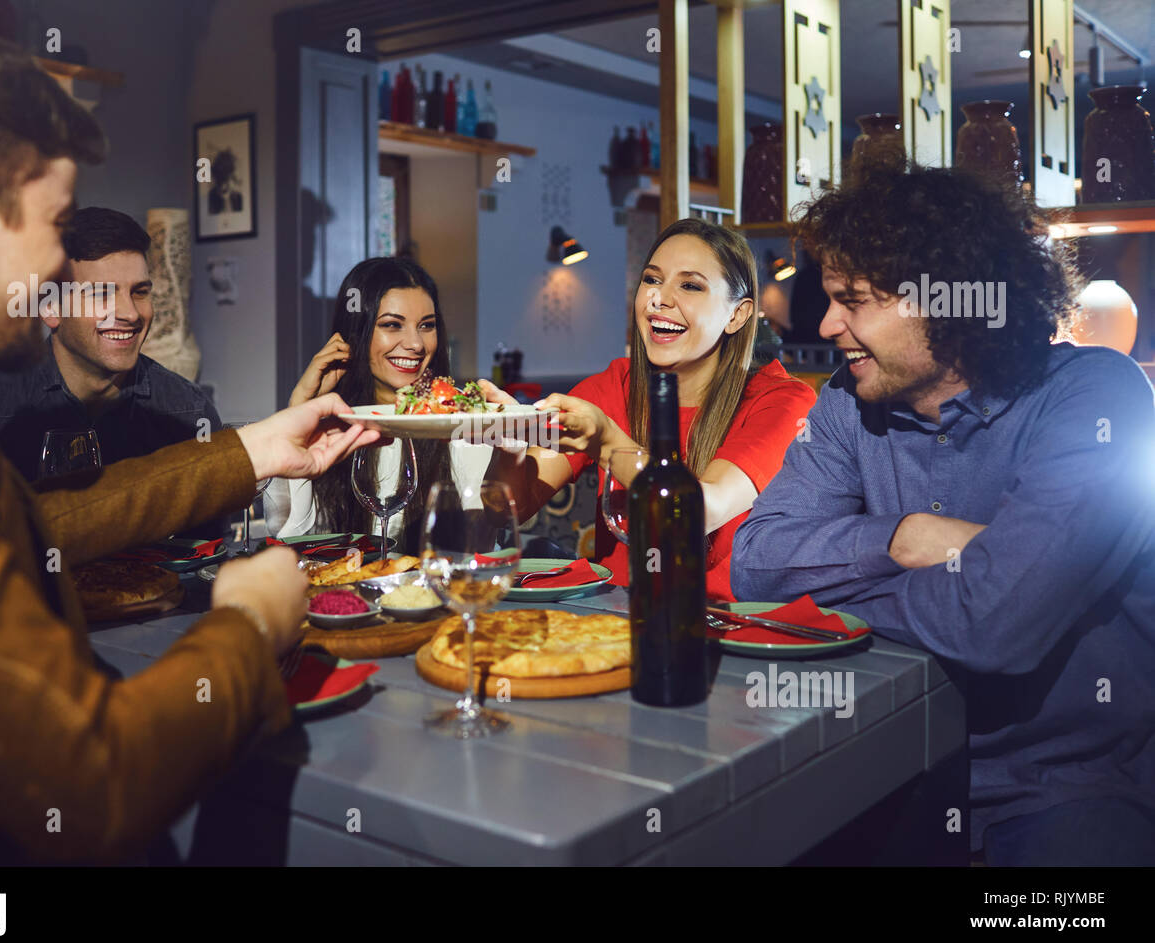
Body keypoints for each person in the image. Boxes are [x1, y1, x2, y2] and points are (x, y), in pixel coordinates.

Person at [0, 13, 377, 864]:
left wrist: (250, 449)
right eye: (57, 225)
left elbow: (45, 527)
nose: (66, 270)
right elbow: (85, 785)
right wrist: (247, 627)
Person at [730, 163, 1155, 866]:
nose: (826, 322)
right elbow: (758, 562)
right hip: (886, 760)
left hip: (1066, 787)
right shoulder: (847, 402)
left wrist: (831, 596)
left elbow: (993, 627)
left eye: (852, 300)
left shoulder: (1097, 398)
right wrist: (905, 538)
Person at [483, 218, 816, 601]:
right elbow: (506, 510)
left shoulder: (781, 401)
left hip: (724, 636)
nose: (659, 299)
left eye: (690, 285)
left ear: (737, 315)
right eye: (652, 279)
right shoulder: (615, 386)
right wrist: (510, 445)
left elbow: (697, 511)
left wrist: (608, 444)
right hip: (613, 623)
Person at [0, 206, 222, 485]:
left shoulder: (189, 415)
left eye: (140, 292)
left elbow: (212, 529)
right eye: (102, 294)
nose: (131, 313)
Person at [265, 257, 492, 550]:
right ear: (356, 332)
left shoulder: (464, 426)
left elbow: (484, 546)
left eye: (427, 325)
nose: (416, 344)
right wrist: (300, 409)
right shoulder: (333, 429)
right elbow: (293, 546)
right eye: (392, 325)